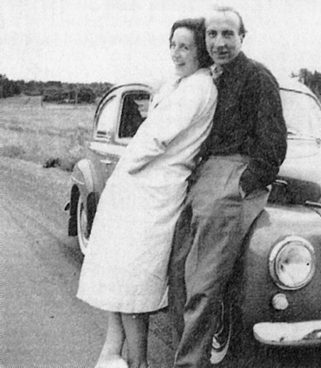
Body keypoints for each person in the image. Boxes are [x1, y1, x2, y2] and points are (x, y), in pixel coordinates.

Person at [76, 18, 217, 368]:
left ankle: (137, 362)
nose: (177, 53)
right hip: (144, 189)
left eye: (185, 46)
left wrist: (129, 167)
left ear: (201, 49)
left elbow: (156, 137)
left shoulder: (199, 88)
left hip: (156, 190)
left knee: (136, 281)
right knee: (124, 276)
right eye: (173, 45)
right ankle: (114, 351)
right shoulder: (180, 84)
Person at [168, 6, 287, 368]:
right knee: (178, 272)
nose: (219, 42)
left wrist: (242, 184)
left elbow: (273, 146)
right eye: (212, 35)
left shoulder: (257, 77)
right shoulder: (209, 77)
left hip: (233, 178)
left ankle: (189, 363)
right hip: (204, 177)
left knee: (203, 283)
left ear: (242, 37)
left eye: (227, 34)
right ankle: (185, 352)